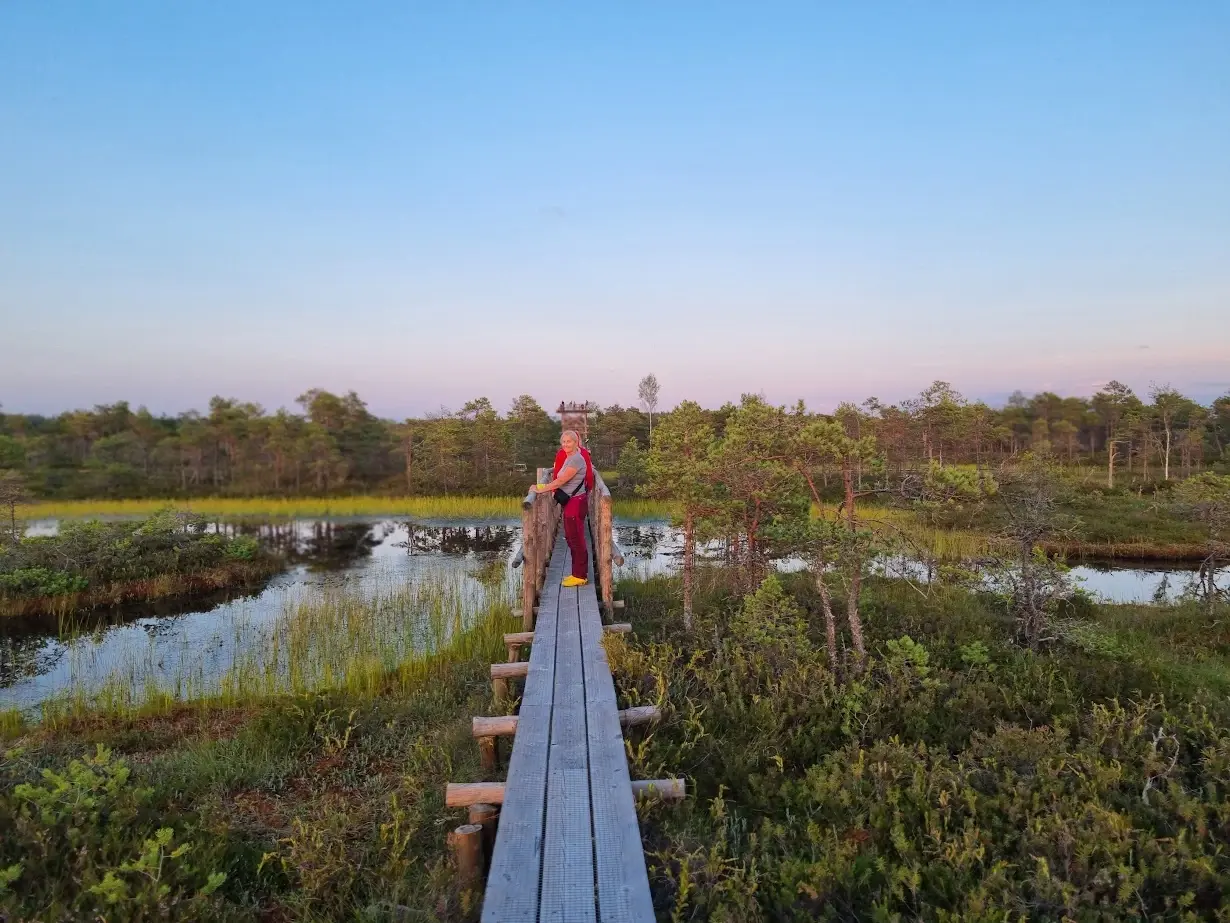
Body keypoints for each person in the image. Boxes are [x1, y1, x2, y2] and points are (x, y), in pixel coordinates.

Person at [530, 430, 590, 587]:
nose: (565, 445)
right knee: (571, 538)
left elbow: (560, 481)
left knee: (576, 539)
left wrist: (541, 489)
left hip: (576, 503)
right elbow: (558, 478)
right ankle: (577, 572)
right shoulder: (570, 457)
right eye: (563, 442)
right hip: (572, 502)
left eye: (568, 442)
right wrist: (542, 485)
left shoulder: (576, 459)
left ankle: (580, 575)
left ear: (576, 442)